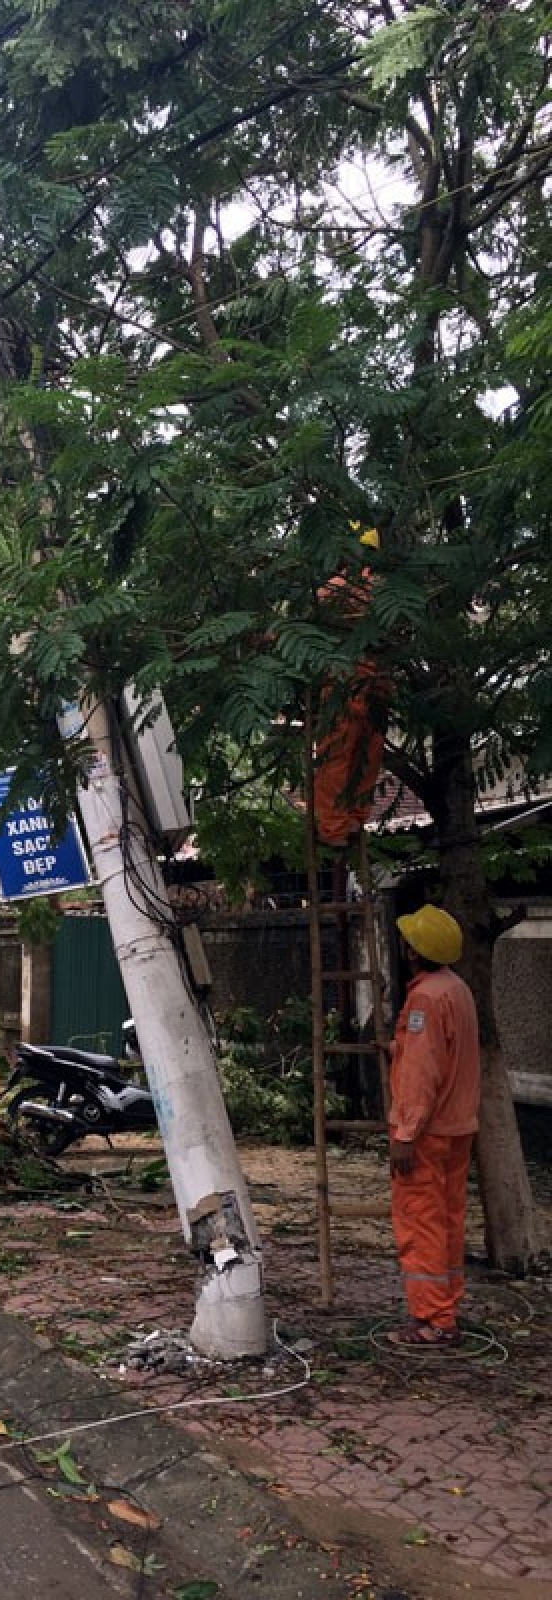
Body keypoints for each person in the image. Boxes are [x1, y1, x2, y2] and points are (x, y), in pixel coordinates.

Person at [385, 904, 481, 1349]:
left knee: (421, 1222)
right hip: (458, 1127)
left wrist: (406, 1134)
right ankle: (447, 1308)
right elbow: (440, 1054)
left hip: (427, 1133)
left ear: (415, 950)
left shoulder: (425, 998)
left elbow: (422, 1072)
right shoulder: (456, 990)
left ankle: (433, 1320)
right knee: (448, 1219)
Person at [313, 526, 389, 847]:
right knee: (366, 756)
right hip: (377, 680)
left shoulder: (335, 588)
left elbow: (309, 625)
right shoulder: (386, 588)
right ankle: (355, 820)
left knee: (338, 753)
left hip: (344, 679)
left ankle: (335, 828)